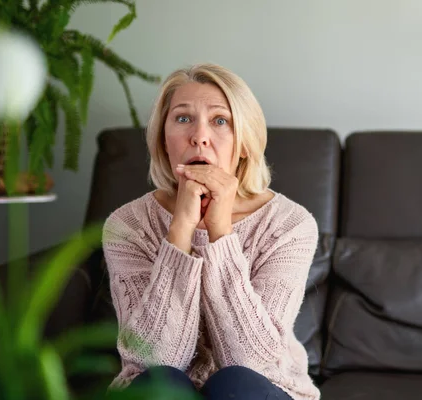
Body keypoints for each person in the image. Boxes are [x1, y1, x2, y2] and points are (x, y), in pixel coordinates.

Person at [102, 63, 320, 400]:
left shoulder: (290, 224)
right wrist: (181, 230)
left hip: (259, 388)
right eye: (183, 118)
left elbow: (253, 362)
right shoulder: (127, 225)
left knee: (235, 383)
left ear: (245, 143)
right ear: (164, 138)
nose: (199, 136)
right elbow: (153, 360)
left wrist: (219, 232)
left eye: (220, 121)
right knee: (161, 383)